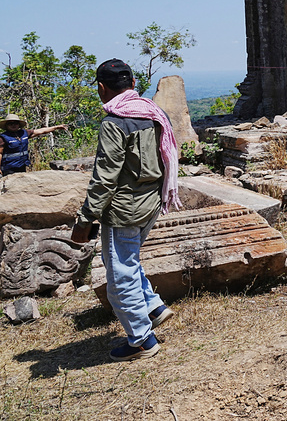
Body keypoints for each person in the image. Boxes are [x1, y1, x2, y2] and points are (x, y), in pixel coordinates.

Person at [71, 59, 182, 361]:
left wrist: (85, 219)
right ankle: (153, 307)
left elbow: (105, 177)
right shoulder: (153, 114)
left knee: (120, 274)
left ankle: (141, 340)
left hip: (123, 210)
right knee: (126, 261)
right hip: (150, 203)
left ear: (101, 88)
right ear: (133, 84)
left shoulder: (114, 122)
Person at [0, 114, 70, 175]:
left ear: (18, 125)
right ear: (6, 126)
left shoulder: (24, 133)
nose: (13, 125)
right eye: (10, 123)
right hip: (9, 168)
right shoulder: (3, 137)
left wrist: (56, 127)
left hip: (22, 166)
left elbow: (41, 131)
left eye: (15, 123)